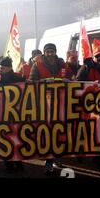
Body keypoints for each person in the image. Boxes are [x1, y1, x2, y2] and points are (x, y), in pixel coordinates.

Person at [29, 43, 69, 176]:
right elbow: (31, 82)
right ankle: (48, 160)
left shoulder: (63, 65)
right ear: (44, 53)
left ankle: (54, 156)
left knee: (59, 131)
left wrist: (69, 80)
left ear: (55, 52)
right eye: (47, 52)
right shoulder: (37, 65)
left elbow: (74, 79)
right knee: (46, 131)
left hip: (61, 103)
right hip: (44, 104)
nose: (50, 54)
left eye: (52, 51)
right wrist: (43, 83)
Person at [76, 45, 100, 166]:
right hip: (87, 106)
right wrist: (91, 85)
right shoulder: (86, 67)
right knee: (86, 131)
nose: (99, 58)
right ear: (93, 57)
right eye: (97, 56)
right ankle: (80, 154)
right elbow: (77, 84)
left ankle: (97, 159)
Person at [0, 57, 25, 172]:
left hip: (14, 114)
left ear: (9, 68)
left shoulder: (17, 78)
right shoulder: (0, 78)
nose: (0, 70)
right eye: (0, 68)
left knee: (15, 138)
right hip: (4, 113)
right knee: (7, 138)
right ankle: (10, 162)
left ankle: (17, 162)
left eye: (3, 68)